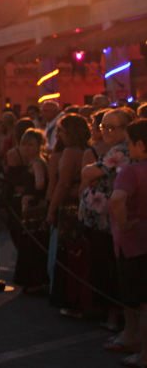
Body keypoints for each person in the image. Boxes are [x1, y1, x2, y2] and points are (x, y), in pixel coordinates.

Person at [81, 108, 133, 335]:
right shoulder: (115, 148)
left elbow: (89, 173)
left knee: (109, 268)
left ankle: (114, 316)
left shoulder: (122, 150)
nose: (107, 132)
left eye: (113, 127)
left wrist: (89, 170)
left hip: (108, 221)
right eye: (104, 127)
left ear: (125, 128)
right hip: (101, 219)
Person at [108, 119, 147, 367]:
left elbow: (117, 200)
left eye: (131, 143)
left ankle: (144, 354)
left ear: (140, 144)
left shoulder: (132, 171)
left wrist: (122, 224)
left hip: (134, 242)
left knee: (141, 300)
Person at [46, 115, 92, 318]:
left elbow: (62, 184)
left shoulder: (71, 152)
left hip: (70, 209)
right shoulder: (87, 150)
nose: (60, 135)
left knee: (69, 255)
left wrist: (51, 210)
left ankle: (72, 300)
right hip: (82, 205)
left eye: (62, 131)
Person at [11, 128, 49, 292]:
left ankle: (36, 282)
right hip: (30, 207)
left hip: (34, 209)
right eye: (24, 145)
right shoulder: (36, 162)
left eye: (30, 145)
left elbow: (40, 183)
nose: (26, 148)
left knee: (33, 243)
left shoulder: (37, 163)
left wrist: (30, 193)